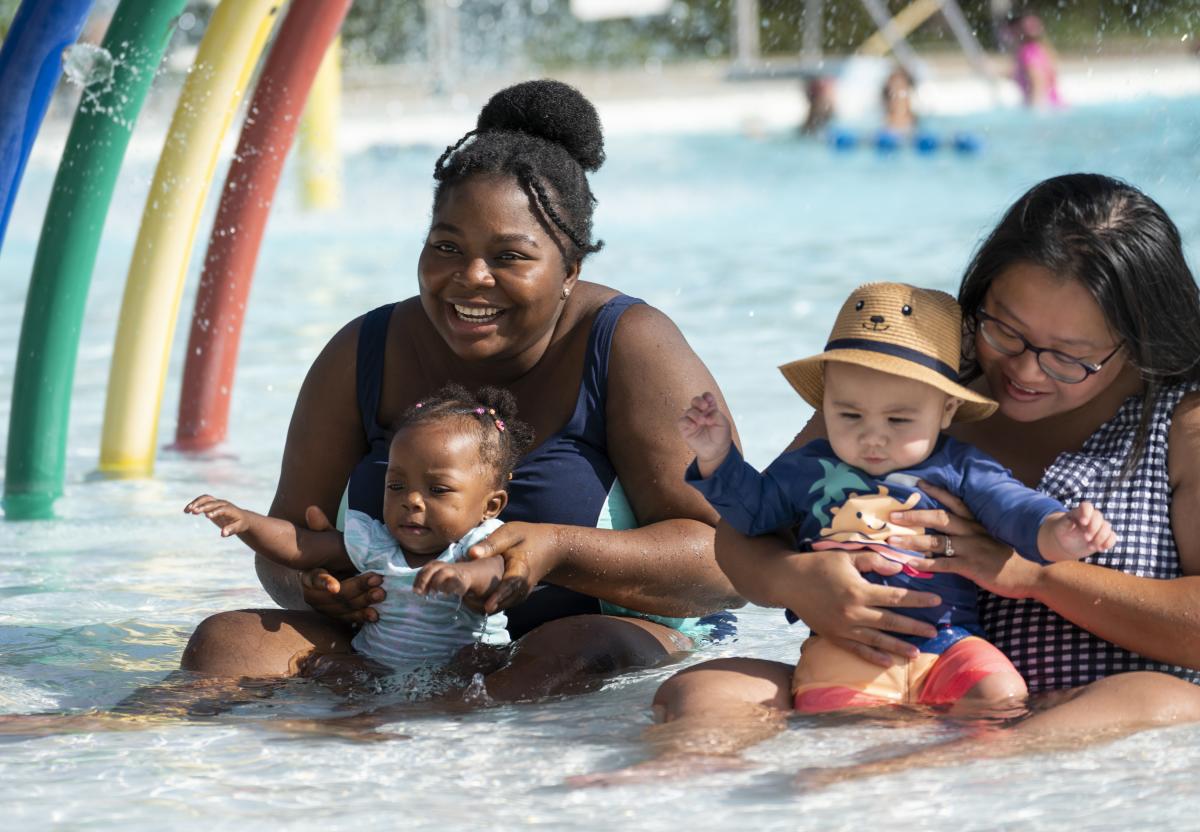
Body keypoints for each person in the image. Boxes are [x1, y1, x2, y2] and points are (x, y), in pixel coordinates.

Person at [177, 78, 742, 702]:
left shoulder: (634, 346)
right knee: (228, 643)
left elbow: (735, 559)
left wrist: (558, 549)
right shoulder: (363, 351)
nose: (471, 279)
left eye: (510, 257)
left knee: (568, 654)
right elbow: (284, 543)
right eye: (446, 247)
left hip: (604, 638)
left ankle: (425, 741)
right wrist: (321, 590)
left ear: (570, 270)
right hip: (405, 642)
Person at [635, 173, 1200, 778]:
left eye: (1068, 355)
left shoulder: (1180, 424)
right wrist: (796, 580)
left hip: (1072, 707)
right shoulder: (904, 399)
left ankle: (911, 767)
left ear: (1135, 340)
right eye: (1004, 331)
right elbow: (747, 530)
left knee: (1167, 699)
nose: (1026, 372)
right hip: (880, 679)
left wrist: (1033, 576)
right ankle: (661, 798)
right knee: (707, 688)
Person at [678, 282, 1115, 715]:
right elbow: (754, 514)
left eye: (899, 419)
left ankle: (972, 775)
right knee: (848, 725)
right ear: (825, 400)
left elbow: (1015, 510)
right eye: (849, 415)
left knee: (1000, 695)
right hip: (846, 644)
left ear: (945, 410)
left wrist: (1061, 532)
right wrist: (719, 459)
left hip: (951, 643)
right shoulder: (809, 468)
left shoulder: (960, 467)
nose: (872, 436)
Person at [185, 384, 534, 672]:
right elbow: (301, 545)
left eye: (438, 490)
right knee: (336, 672)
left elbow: (494, 572)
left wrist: (464, 578)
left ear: (491, 506)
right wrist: (247, 521)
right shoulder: (376, 542)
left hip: (461, 670)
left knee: (482, 671)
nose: (411, 500)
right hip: (378, 667)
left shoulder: (477, 544)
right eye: (396, 486)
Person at [1010, 13, 1061, 108]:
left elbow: (1037, 82)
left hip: (1044, 107)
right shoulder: (1043, 49)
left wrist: (1035, 111)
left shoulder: (1027, 52)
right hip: (1056, 106)